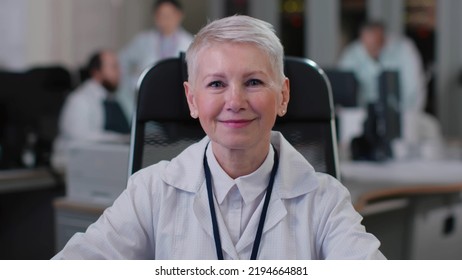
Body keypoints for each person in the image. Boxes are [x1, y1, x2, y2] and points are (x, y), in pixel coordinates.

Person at [53, 15, 385, 260]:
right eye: (216, 84)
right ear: (192, 100)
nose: (235, 102)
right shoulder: (152, 192)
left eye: (254, 82)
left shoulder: (325, 200)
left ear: (283, 96)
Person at [51, 50, 130, 172]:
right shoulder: (80, 100)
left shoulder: (116, 99)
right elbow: (81, 139)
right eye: (114, 67)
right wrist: (122, 139)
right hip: (79, 168)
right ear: (96, 72)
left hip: (109, 163)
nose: (119, 72)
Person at [117, 0, 193, 119]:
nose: (164, 20)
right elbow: (121, 61)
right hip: (147, 99)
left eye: (168, 15)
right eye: (160, 15)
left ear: (179, 15)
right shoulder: (144, 40)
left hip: (177, 101)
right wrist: (132, 82)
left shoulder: (189, 43)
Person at [338, 21, 426, 112]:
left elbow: (413, 89)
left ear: (384, 38)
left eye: (375, 45)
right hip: (361, 114)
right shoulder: (352, 53)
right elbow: (342, 87)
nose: (372, 50)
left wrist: (408, 116)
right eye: (368, 46)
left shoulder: (405, 49)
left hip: (401, 112)